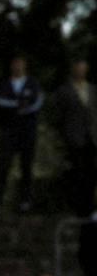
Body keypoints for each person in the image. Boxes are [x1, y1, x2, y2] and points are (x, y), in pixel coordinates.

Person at [0, 55, 44, 212]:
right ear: (11, 66)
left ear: (25, 65)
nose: (18, 66)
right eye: (15, 64)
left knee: (26, 166)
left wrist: (22, 108)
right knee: (3, 165)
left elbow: (37, 103)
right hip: (8, 131)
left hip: (27, 131)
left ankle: (25, 202)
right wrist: (18, 105)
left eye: (21, 64)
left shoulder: (33, 84)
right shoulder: (4, 85)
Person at [50, 59, 94, 214]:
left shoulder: (93, 90)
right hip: (73, 138)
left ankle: (89, 204)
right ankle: (76, 204)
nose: (81, 72)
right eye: (78, 69)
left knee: (90, 172)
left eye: (83, 69)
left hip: (91, 138)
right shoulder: (63, 91)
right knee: (76, 172)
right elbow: (57, 116)